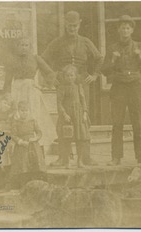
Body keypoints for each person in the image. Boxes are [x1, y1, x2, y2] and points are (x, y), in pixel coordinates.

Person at [42, 11, 103, 166]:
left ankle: (85, 157)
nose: (72, 28)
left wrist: (95, 75)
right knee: (64, 120)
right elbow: (42, 59)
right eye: (69, 25)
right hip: (63, 85)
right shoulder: (57, 42)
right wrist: (52, 76)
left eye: (75, 25)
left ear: (80, 24)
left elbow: (99, 58)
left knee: (83, 118)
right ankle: (63, 158)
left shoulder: (86, 41)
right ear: (65, 25)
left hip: (81, 85)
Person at [102, 15, 141, 166]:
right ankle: (116, 157)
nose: (125, 30)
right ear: (118, 30)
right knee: (117, 123)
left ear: (132, 30)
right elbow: (104, 71)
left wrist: (140, 58)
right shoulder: (112, 48)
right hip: (118, 87)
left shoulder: (139, 46)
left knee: (137, 123)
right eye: (122, 27)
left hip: (135, 87)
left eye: (128, 28)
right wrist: (112, 61)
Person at [3, 37, 57, 152]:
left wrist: (43, 85)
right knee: (17, 116)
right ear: (17, 47)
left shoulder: (36, 58)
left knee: (33, 116)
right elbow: (7, 81)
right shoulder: (11, 60)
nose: (23, 47)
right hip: (17, 91)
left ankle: (36, 148)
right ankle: (18, 148)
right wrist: (7, 95)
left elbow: (50, 73)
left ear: (30, 47)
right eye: (21, 45)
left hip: (31, 92)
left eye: (26, 45)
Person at [56, 65, 91, 168]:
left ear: (75, 76)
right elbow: (59, 103)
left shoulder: (78, 87)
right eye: (67, 76)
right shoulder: (62, 88)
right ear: (64, 77)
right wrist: (64, 114)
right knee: (66, 138)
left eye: (71, 75)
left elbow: (83, 100)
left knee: (80, 138)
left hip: (78, 115)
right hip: (67, 116)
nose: (69, 77)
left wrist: (85, 112)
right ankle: (66, 162)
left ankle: (79, 161)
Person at [7, 101, 45, 191]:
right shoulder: (16, 122)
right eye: (22, 110)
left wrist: (35, 138)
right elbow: (13, 135)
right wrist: (20, 141)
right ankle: (23, 186)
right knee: (23, 166)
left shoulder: (33, 121)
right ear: (18, 111)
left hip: (33, 146)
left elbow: (39, 132)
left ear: (29, 111)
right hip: (21, 146)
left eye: (26, 110)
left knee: (34, 164)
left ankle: (35, 186)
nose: (24, 112)